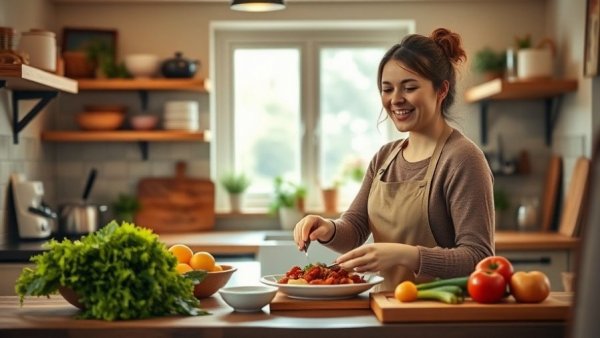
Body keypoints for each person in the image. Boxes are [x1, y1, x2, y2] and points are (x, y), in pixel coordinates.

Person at [293, 28, 495, 291]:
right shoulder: (385, 157)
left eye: (409, 88)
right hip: (385, 307)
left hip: (442, 314)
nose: (396, 99)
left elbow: (479, 257)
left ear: (441, 90)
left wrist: (404, 255)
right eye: (387, 89)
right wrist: (327, 228)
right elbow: (354, 228)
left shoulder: (462, 159)